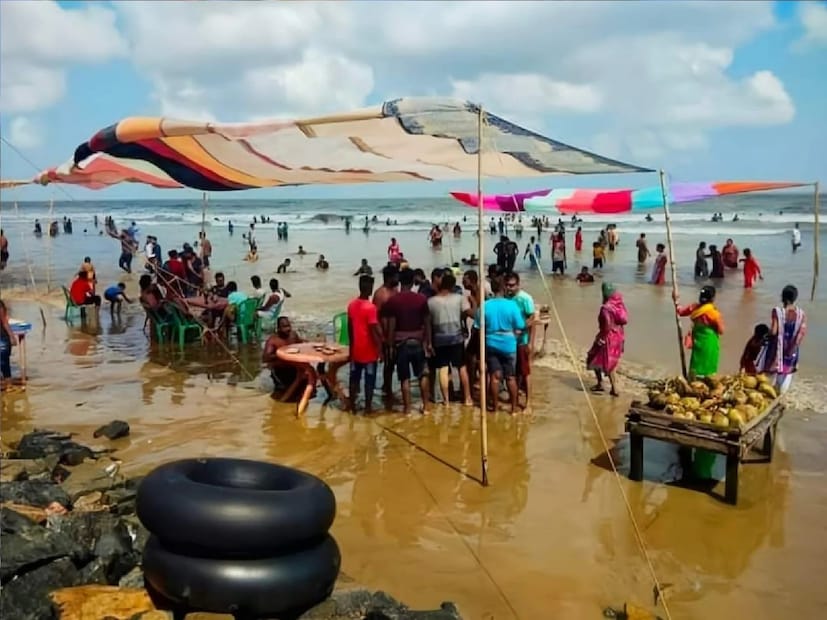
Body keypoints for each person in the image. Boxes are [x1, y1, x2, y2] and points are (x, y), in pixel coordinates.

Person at [382, 267, 431, 414]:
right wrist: (428, 342)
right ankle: (426, 407)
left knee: (404, 378)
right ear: (412, 281)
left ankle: (408, 409)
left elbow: (391, 325)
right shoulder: (421, 299)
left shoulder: (393, 301)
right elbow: (427, 322)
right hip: (418, 342)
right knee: (423, 374)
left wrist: (390, 345)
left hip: (401, 344)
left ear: (400, 281)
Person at [479, 277, 525, 414]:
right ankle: (514, 408)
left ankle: (495, 407)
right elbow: (520, 325)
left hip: (491, 342)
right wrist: (514, 336)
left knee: (495, 377)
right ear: (504, 288)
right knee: (510, 377)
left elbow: (477, 325)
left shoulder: (485, 305)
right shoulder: (512, 305)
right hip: (509, 344)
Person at [428, 271, 472, 406]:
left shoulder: (431, 301)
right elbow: (470, 313)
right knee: (461, 367)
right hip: (456, 337)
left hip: (439, 339)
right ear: (452, 286)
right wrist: (474, 303)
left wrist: (429, 342)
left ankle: (446, 400)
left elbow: (428, 324)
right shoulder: (459, 298)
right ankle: (467, 397)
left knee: (443, 368)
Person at [347, 275, 383, 413]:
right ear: (369, 288)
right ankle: (368, 407)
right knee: (369, 380)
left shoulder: (351, 305)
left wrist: (351, 349)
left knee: (354, 379)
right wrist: (380, 348)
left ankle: (352, 406)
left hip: (356, 350)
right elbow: (373, 330)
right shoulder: (371, 308)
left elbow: (350, 329)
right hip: (369, 352)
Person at [586, 282, 628, 396]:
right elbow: (624, 320)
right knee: (611, 362)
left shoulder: (606, 309)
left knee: (592, 356)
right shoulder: (619, 304)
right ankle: (613, 387)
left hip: (608, 337)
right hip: (619, 337)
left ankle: (603, 384)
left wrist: (601, 338)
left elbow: (607, 326)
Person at [765, 284, 807, 394]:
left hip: (777, 348)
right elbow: (801, 333)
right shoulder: (801, 314)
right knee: (785, 373)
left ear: (783, 297)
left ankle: (770, 393)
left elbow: (773, 331)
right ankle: (781, 393)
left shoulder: (777, 311)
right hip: (792, 349)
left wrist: (766, 334)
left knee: (772, 373)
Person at [675, 285, 723, 378]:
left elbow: (680, 311)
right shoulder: (713, 313)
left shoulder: (694, 307)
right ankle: (708, 379)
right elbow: (721, 330)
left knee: (696, 362)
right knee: (709, 363)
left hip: (698, 340)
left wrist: (676, 300)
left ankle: (694, 379)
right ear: (713, 298)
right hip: (709, 342)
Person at [504, 271, 536, 407]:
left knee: (525, 372)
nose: (509, 288)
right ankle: (514, 398)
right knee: (513, 372)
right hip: (509, 341)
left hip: (522, 340)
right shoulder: (506, 298)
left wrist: (530, 343)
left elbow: (532, 320)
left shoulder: (525, 298)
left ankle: (528, 403)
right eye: (507, 285)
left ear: (518, 285)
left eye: (512, 285)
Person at [261, 316, 308, 398]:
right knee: (282, 392)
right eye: (285, 327)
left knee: (304, 388)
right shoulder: (273, 340)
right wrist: (282, 354)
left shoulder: (293, 335)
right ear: (278, 329)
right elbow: (265, 358)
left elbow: (300, 346)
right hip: (280, 371)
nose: (288, 329)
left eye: (289, 326)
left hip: (294, 368)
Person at [373, 264, 399, 398]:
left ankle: (387, 387)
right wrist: (381, 337)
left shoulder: (395, 291)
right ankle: (387, 388)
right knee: (388, 363)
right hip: (385, 334)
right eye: (396, 276)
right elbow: (374, 317)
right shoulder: (380, 294)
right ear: (389, 277)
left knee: (392, 363)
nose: (398, 278)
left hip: (396, 333)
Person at [0, 299, 18, 387]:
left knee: (4, 364)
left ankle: (8, 385)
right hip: (2, 338)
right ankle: (9, 386)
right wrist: (12, 337)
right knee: (5, 365)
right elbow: (5, 322)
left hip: (2, 338)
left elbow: (4, 322)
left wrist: (11, 337)